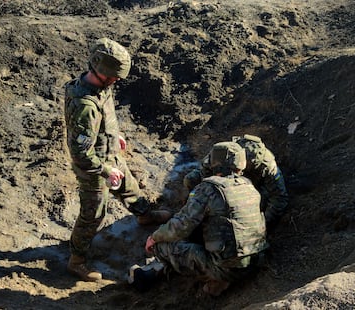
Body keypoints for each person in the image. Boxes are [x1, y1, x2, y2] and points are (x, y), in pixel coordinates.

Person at [64, 37, 171, 282]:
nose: (118, 81)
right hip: (93, 166)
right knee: (93, 214)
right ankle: (76, 260)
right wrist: (105, 171)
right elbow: (81, 153)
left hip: (108, 151)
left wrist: (114, 135)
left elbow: (104, 116)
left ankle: (144, 214)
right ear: (101, 71)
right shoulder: (84, 105)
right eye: (115, 76)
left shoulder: (101, 85)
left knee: (130, 187)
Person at [144, 141, 268, 296]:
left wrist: (154, 238)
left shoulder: (210, 188)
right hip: (255, 262)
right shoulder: (248, 185)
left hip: (226, 269)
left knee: (162, 246)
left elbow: (180, 227)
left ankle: (214, 279)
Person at [184, 134, 288, 231]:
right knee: (191, 179)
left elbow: (279, 197)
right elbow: (205, 179)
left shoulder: (268, 166)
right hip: (223, 182)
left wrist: (263, 225)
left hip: (252, 190)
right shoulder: (223, 153)